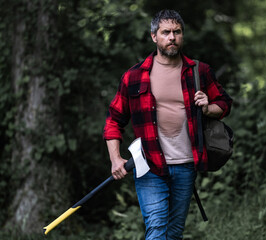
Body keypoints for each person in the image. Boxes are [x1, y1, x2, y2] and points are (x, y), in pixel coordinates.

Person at [103, 9, 233, 239]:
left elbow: (224, 104)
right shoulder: (133, 77)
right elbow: (114, 119)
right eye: (166, 32)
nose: (172, 37)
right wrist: (115, 158)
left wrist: (207, 107)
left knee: (173, 233)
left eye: (177, 32)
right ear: (154, 36)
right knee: (156, 229)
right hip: (149, 165)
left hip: (186, 165)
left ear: (182, 36)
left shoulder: (198, 71)